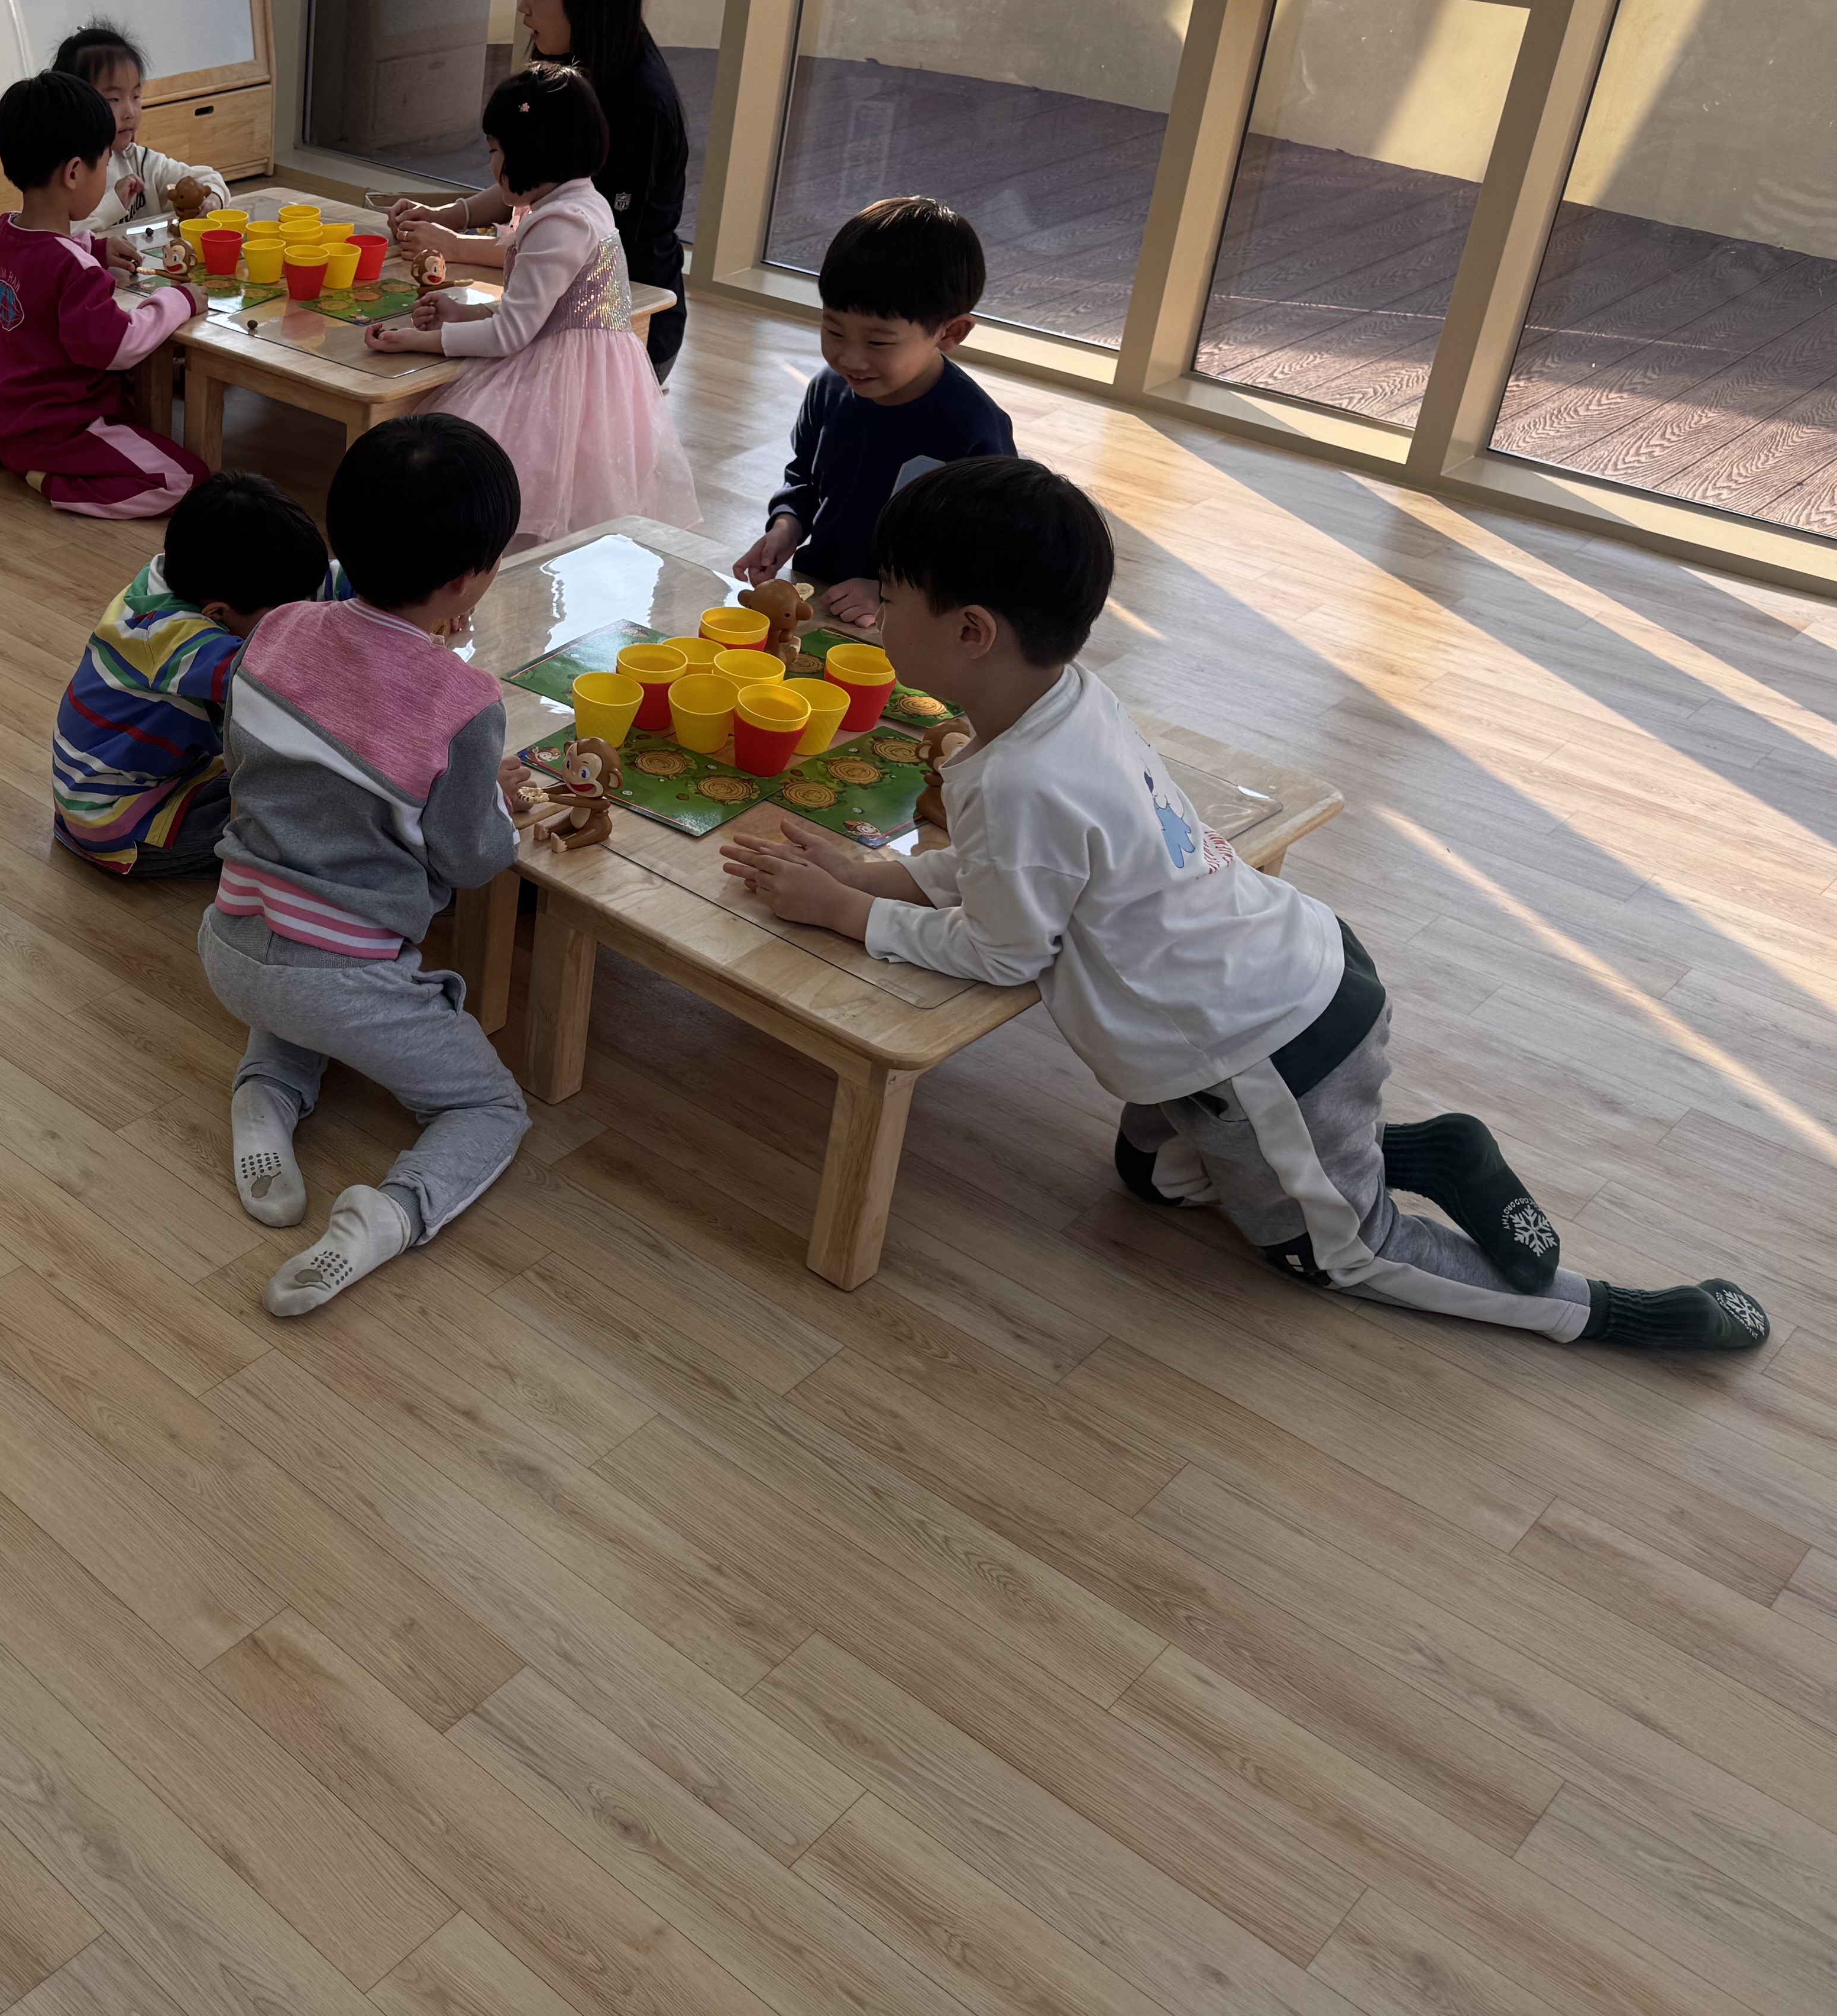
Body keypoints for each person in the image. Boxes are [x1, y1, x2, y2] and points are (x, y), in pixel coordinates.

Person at [720, 456, 1768, 1355]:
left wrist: (844, 914)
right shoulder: (1065, 707)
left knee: (1338, 1253)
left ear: (970, 630)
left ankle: (1604, 1311)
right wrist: (866, 874)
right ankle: (1397, 1150)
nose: (870, 605)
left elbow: (1006, 949)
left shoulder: (1020, 778)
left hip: (1262, 1041)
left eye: (892, 592)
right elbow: (1021, 876)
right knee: (1149, 1177)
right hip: (1274, 978)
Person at [202, 416, 533, 1318]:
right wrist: (493, 797)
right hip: (340, 980)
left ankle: (266, 1096)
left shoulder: (276, 630)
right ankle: (385, 1219)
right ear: (466, 581)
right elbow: (473, 858)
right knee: (489, 1108)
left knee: (293, 995)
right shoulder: (465, 702)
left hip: (231, 939)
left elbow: (261, 763)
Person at [364, 64, 697, 547]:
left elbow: (510, 335)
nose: (492, 166)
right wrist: (463, 314)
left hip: (563, 380)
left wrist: (418, 341)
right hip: (588, 370)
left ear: (531, 151)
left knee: (474, 468)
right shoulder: (584, 202)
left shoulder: (560, 223)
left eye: (495, 151)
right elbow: (537, 312)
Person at [391, 0, 692, 379]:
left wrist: (457, 245)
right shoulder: (571, 64)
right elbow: (537, 175)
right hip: (552, 316)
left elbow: (572, 244)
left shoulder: (641, 106)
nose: (522, 7)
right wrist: (451, 216)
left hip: (624, 333)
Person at [732, 195, 1013, 633]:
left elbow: (983, 551)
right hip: (820, 592)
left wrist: (887, 591)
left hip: (914, 623)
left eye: (878, 342)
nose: (850, 358)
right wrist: (787, 526)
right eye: (833, 330)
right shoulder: (829, 389)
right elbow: (805, 476)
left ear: (950, 332)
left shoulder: (972, 427)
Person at [54, 471, 333, 880]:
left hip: (154, 783)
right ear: (217, 613)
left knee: (288, 788)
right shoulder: (176, 642)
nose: (298, 618)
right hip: (121, 821)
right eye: (285, 616)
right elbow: (282, 681)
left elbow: (314, 582)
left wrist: (389, 588)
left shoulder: (191, 573)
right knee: (300, 817)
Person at [0, 67, 204, 517]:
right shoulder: (74, 270)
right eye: (104, 163)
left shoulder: (2, 236)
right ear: (73, 172)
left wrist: (95, 247)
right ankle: (54, 484)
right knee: (188, 481)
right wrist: (178, 301)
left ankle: (17, 457)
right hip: (62, 432)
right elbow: (120, 346)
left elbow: (43, 263)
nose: (106, 173)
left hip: (8, 421)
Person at [56, 18, 230, 243]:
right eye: (113, 99)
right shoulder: (65, 172)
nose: (130, 112)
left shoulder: (138, 160)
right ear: (74, 104)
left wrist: (212, 200)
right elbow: (57, 235)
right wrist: (114, 203)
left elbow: (209, 179)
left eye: (136, 96)